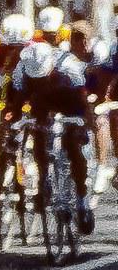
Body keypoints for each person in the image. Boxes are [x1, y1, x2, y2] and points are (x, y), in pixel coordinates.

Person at [6, 40, 95, 235]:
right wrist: (12, 127)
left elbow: (83, 101)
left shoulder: (69, 65)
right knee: (40, 134)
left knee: (73, 147)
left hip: (70, 101)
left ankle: (82, 198)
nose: (39, 77)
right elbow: (18, 100)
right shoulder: (22, 68)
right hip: (41, 103)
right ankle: (43, 179)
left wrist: (83, 125)